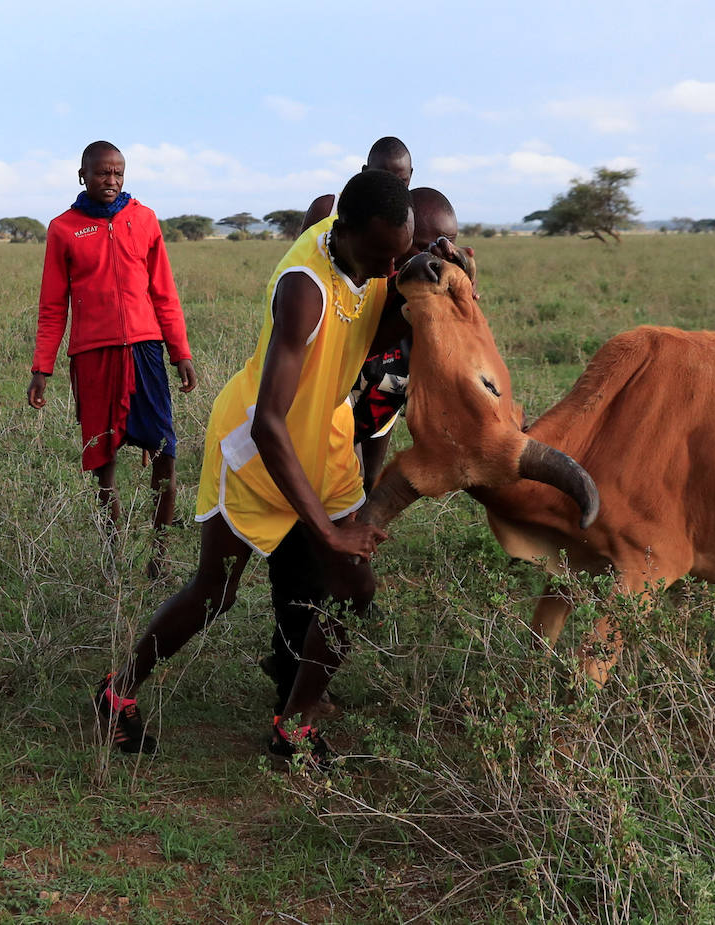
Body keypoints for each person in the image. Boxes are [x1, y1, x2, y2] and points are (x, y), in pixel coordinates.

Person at [92, 169, 414, 758]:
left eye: (398, 259)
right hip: (257, 447)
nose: (386, 273)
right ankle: (117, 693)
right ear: (343, 232)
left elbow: (374, 323)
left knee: (354, 588)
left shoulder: (369, 257)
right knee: (216, 591)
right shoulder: (304, 291)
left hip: (328, 439)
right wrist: (326, 532)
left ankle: (293, 722)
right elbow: (270, 423)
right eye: (380, 258)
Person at [261, 187, 463, 717]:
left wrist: (457, 287)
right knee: (294, 564)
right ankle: (291, 683)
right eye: (404, 250)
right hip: (300, 433)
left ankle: (300, 692)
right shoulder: (332, 275)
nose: (403, 263)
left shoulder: (389, 273)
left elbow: (402, 364)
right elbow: (275, 414)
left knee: (342, 571)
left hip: (344, 429)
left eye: (420, 250)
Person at [27, 141, 197, 577]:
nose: (112, 181)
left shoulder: (143, 219)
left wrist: (180, 352)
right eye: (103, 173)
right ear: (82, 175)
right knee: (103, 461)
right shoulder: (63, 228)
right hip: (93, 355)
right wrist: (41, 368)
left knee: (165, 451)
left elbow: (164, 292)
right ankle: (113, 555)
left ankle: (159, 556)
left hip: (145, 350)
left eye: (119, 173)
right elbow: (52, 306)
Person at [303, 136, 413, 229]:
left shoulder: (412, 220)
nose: (391, 190)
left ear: (410, 175)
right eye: (381, 179)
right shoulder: (327, 210)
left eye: (401, 182)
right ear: (365, 172)